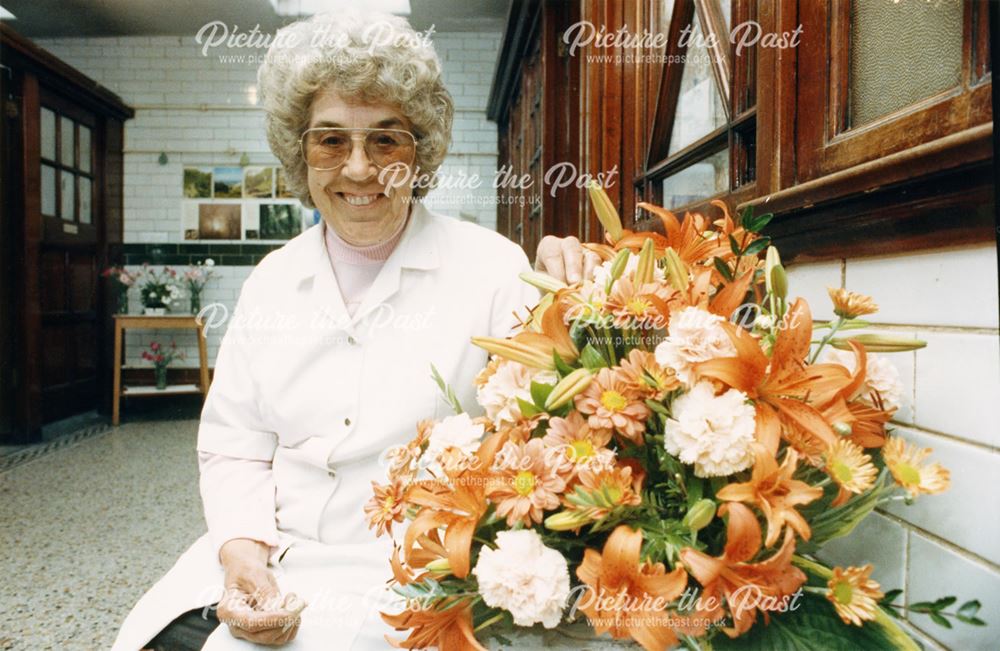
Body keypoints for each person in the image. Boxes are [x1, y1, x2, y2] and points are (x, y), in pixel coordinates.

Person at [112, 11, 595, 651]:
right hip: (278, 550)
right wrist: (240, 553)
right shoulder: (270, 284)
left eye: (386, 140)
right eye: (331, 141)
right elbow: (235, 445)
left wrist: (578, 300)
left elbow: (542, 434)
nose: (360, 170)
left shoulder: (493, 268)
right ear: (299, 152)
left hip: (427, 565)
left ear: (419, 151)